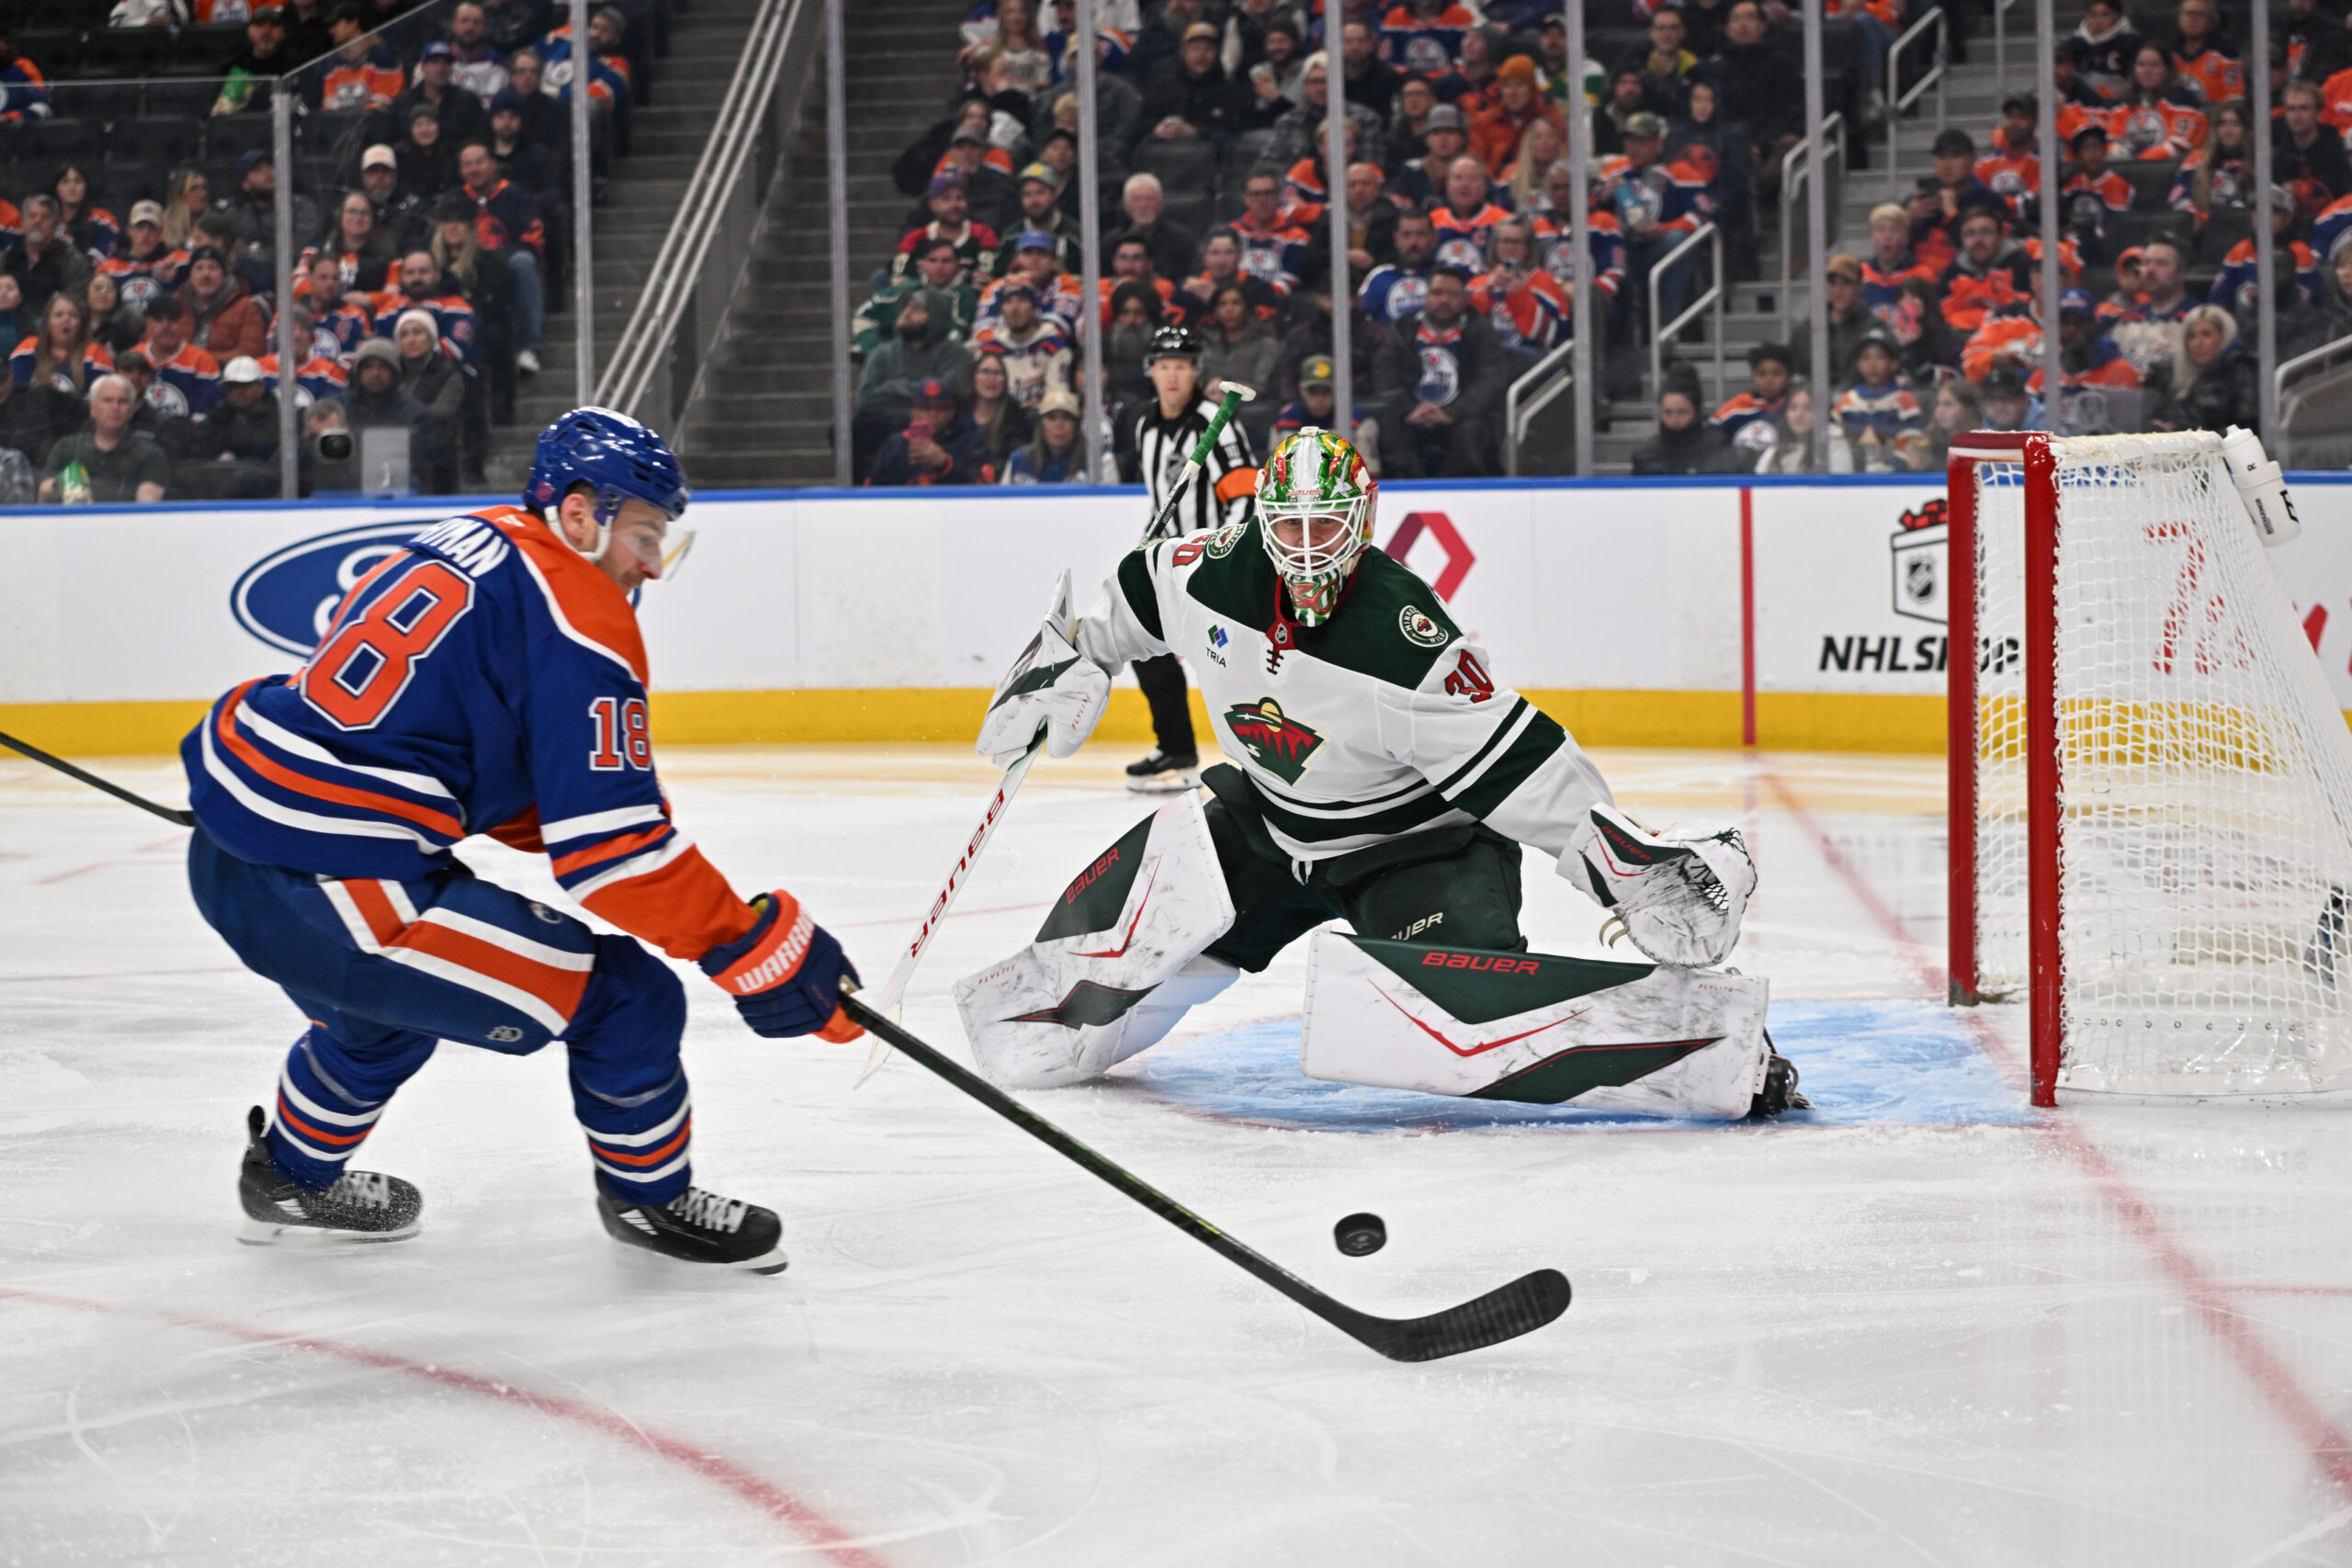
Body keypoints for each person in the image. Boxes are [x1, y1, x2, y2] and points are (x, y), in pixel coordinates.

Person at [181, 408, 859, 1263]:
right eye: (644, 534)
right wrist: (751, 943)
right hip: (344, 892)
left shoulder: (470, 537)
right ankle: (651, 1201)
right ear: (580, 514)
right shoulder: (583, 615)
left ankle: (291, 1175)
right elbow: (614, 858)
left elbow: (449, 742)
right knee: (627, 1001)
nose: (651, 563)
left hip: (228, 852)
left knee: (379, 1020)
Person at [959, 426, 1787, 1114]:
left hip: (1418, 853)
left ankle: (1710, 1046)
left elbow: (1522, 767)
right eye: (1292, 529)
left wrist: (1622, 868)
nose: (1311, 551)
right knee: (1038, 1025)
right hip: (1264, 825)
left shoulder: (1407, 641)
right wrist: (1061, 659)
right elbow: (1126, 599)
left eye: (1331, 529)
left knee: (1454, 1028)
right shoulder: (1207, 571)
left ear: (1364, 522)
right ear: (1261, 521)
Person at [1122, 322, 1260, 792]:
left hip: (1214, 562)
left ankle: (1259, 757)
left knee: (1229, 659)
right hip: (1167, 561)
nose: (1173, 376)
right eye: (1164, 367)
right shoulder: (1145, 426)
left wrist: (1225, 549)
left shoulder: (1214, 422)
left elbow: (1244, 493)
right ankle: (1177, 749)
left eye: (1181, 366)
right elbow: (1161, 493)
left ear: (1196, 371)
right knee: (1145, 643)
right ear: (1151, 372)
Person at [1371, 264, 1503, 478]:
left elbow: (1489, 379)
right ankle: (1404, 495)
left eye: (1452, 294)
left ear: (1465, 298)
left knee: (1473, 432)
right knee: (1389, 426)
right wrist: (1408, 409)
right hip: (1412, 413)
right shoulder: (1403, 327)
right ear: (1427, 296)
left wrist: (1452, 413)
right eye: (1437, 293)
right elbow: (1385, 373)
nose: (1444, 300)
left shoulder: (1480, 328)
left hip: (1462, 416)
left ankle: (1459, 495)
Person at [39, 374, 167, 502]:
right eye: (107, 400)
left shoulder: (150, 454)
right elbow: (44, 492)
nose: (115, 407)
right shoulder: (66, 447)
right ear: (93, 409)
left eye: (122, 401)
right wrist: (62, 482)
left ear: (132, 410)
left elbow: (148, 504)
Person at [2149, 302, 2261, 431]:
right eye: (2192, 336)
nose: (2199, 343)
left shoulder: (2243, 371)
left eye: (2207, 334)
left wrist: (2184, 433)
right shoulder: (2173, 375)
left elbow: (2244, 430)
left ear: (2224, 336)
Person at [868, 376, 995, 485]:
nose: (933, 414)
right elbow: (871, 490)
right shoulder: (895, 445)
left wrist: (945, 464)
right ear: (914, 411)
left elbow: (985, 484)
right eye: (925, 407)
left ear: (951, 412)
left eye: (941, 408)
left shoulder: (970, 443)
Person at [13, 291, 110, 398]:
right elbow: (14, 395)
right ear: (47, 322)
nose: (66, 319)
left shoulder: (95, 354)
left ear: (82, 324)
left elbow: (103, 402)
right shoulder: (29, 348)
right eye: (59, 315)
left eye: (73, 315)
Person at [1197, 281, 1281, 400]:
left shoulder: (1266, 344)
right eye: (1222, 304)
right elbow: (1196, 382)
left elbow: (1264, 388)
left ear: (1247, 308)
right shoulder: (1205, 343)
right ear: (1215, 312)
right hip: (1208, 408)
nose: (1229, 309)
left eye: (1236, 303)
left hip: (1249, 412)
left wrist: (1226, 388)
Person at [1631, 382, 1735, 473]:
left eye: (1682, 412)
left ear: (1696, 411)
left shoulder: (1717, 448)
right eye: (1668, 412)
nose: (1674, 420)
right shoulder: (1646, 455)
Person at [1754, 382, 1854, 473]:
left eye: (1808, 408)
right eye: (1793, 408)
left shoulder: (1835, 444)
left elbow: (1838, 486)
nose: (1799, 415)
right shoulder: (1776, 449)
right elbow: (1760, 481)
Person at [1003, 384, 1091, 483]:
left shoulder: (1096, 463)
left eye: (1066, 417)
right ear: (1041, 424)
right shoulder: (1018, 460)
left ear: (1076, 425)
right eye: (1051, 417)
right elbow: (1001, 497)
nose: (1059, 424)